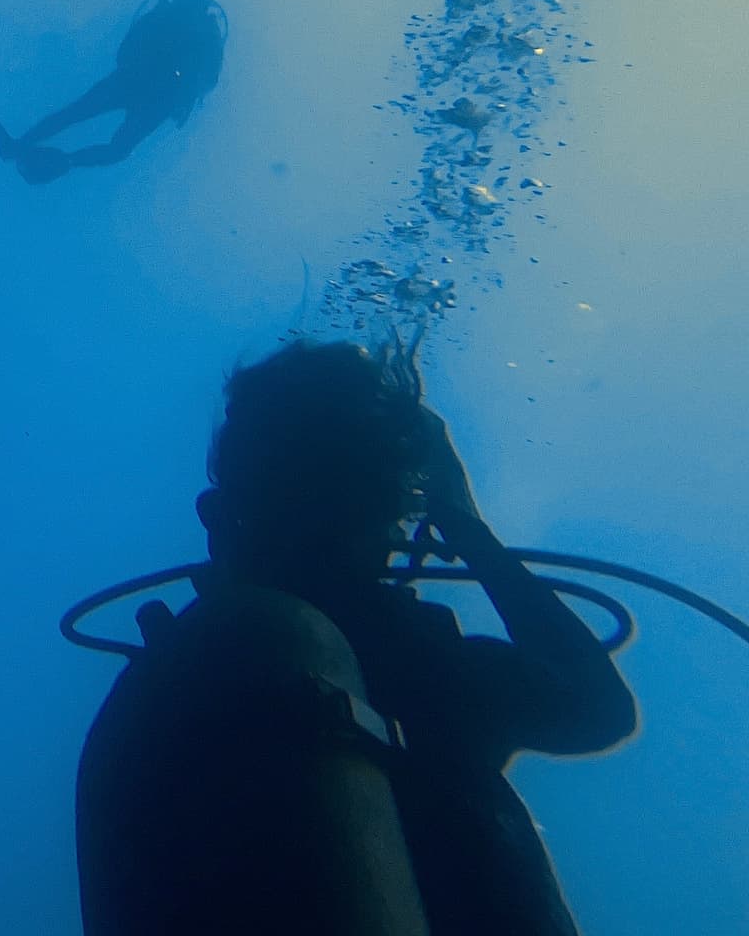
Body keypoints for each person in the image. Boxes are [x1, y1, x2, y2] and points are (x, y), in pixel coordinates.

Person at [75, 339, 637, 935]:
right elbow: (595, 709)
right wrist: (469, 530)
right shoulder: (406, 657)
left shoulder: (177, 674)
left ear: (226, 509)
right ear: (383, 503)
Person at [0, 0, 226, 183]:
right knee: (117, 148)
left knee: (74, 114)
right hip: (158, 97)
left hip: (132, 80)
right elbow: (208, 81)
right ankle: (65, 160)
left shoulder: (166, 14)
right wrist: (182, 99)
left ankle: (24, 147)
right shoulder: (206, 31)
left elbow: (128, 45)